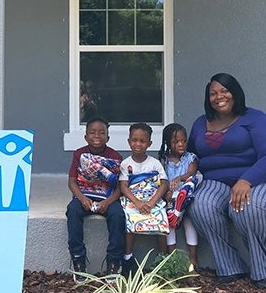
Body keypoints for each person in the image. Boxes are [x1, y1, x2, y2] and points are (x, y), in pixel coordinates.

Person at [188, 73, 266, 289]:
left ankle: (262, 269)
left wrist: (246, 180)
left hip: (255, 178)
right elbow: (191, 156)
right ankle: (230, 266)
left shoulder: (255, 118)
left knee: (245, 207)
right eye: (213, 93)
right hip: (215, 181)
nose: (218, 96)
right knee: (200, 205)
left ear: (235, 92)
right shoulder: (200, 123)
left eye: (224, 91)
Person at [66, 116, 125, 283]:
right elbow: (71, 181)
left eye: (101, 132)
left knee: (118, 215)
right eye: (92, 132)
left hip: (108, 198)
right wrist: (82, 198)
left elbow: (120, 186)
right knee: (73, 211)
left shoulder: (114, 156)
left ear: (108, 137)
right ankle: (78, 260)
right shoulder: (79, 154)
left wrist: (107, 202)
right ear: (86, 136)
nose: (97, 136)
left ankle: (114, 261)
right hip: (84, 196)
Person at [119, 122, 169, 276]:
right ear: (128, 141)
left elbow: (164, 184)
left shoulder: (154, 164)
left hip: (151, 198)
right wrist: (138, 203)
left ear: (149, 143)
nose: (138, 144)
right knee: (129, 219)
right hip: (134, 200)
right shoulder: (125, 164)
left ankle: (163, 258)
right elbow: (124, 186)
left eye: (142, 141)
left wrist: (152, 202)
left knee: (160, 218)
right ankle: (127, 257)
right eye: (134, 140)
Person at [158, 123, 199, 269]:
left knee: (190, 223)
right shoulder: (164, 161)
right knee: (170, 225)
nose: (181, 144)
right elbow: (161, 180)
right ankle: (172, 260)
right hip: (171, 200)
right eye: (176, 142)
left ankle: (193, 261)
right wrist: (166, 192)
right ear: (168, 143)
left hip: (187, 197)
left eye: (184, 141)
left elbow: (190, 174)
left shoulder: (191, 158)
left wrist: (179, 179)